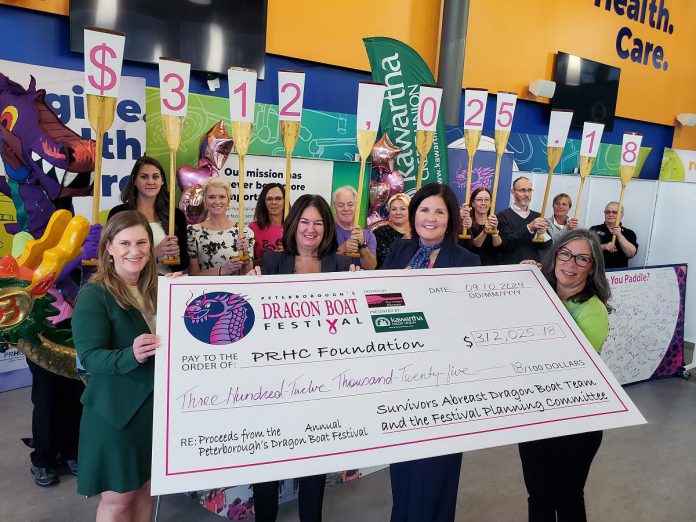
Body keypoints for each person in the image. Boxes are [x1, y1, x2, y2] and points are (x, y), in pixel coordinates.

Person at [248, 194, 358, 522]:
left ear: (327, 230)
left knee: (313, 466)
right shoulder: (270, 265)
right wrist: (248, 288)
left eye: (319, 223)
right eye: (305, 222)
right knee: (267, 465)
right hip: (273, 383)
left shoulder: (341, 266)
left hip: (321, 383)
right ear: (294, 225)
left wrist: (357, 290)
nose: (311, 229)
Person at [381, 183, 480, 522]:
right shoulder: (399, 250)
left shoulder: (467, 260)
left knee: (435, 473)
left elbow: (468, 324)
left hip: (443, 384)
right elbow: (379, 305)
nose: (430, 217)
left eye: (439, 211)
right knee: (403, 472)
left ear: (450, 218)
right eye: (424, 209)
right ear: (414, 214)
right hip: (401, 380)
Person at [72, 211, 160, 520]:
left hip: (154, 410)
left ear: (151, 247)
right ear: (109, 247)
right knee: (118, 499)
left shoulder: (157, 289)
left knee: (147, 489)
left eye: (141, 242)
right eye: (124, 243)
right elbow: (91, 357)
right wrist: (129, 355)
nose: (134, 251)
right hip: (116, 414)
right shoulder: (95, 296)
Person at [518, 228, 611, 522]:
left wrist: (532, 292)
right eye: (566, 253)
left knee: (566, 497)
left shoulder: (592, 310)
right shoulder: (539, 290)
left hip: (575, 422)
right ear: (555, 255)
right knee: (538, 495)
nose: (571, 264)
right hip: (535, 413)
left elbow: (564, 363)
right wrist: (518, 283)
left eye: (582, 259)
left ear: (592, 267)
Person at [108, 155, 189, 274]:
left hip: (164, 286)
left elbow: (183, 263)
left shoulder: (176, 215)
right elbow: (110, 257)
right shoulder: (119, 214)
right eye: (144, 177)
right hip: (129, 284)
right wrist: (154, 252)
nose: (150, 182)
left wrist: (176, 255)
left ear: (162, 181)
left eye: (155, 177)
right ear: (135, 181)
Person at [187, 177, 254, 276]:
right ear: (204, 200)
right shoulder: (192, 232)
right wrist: (222, 270)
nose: (217, 202)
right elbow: (193, 275)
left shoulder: (244, 232)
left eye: (222, 197)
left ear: (229, 200)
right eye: (211, 197)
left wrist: (245, 252)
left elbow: (249, 275)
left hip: (237, 290)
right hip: (206, 290)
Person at [497, 176, 551, 264]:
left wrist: (543, 233)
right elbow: (505, 244)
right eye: (522, 190)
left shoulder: (537, 216)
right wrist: (529, 228)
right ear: (513, 192)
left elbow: (546, 247)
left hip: (534, 269)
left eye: (529, 190)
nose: (527, 194)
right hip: (512, 269)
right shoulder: (502, 216)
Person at [332, 186, 377, 269]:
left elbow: (371, 267)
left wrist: (362, 245)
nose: (346, 209)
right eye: (341, 205)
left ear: (357, 207)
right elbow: (322, 264)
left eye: (350, 205)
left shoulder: (369, 235)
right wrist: (342, 250)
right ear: (334, 208)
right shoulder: (327, 233)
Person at [589, 201, 638, 269]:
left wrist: (619, 235)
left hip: (617, 276)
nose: (610, 214)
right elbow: (586, 248)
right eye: (607, 212)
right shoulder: (594, 229)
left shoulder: (629, 233)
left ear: (621, 215)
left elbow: (631, 254)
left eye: (614, 212)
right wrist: (603, 246)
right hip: (596, 273)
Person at [463, 187, 502, 265]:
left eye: (487, 200)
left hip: (491, 268)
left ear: (491, 203)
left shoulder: (496, 221)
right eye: (479, 199)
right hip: (471, 267)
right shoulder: (467, 224)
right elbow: (473, 249)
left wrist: (494, 232)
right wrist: (485, 231)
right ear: (473, 203)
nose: (483, 203)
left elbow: (498, 249)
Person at [249, 182, 285, 264]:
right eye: (269, 199)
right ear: (263, 202)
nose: (274, 202)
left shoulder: (294, 227)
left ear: (285, 201)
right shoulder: (253, 228)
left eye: (278, 198)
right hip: (261, 275)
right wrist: (271, 258)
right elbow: (247, 264)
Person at [373, 192, 411, 268]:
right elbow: (384, 260)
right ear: (389, 212)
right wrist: (402, 242)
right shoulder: (380, 232)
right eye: (393, 209)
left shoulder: (418, 232)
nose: (398, 212)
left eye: (403, 209)